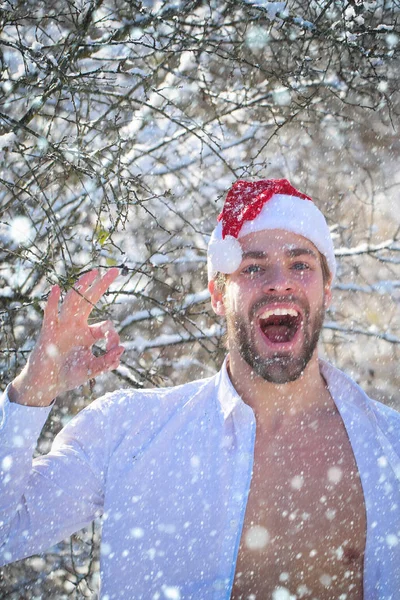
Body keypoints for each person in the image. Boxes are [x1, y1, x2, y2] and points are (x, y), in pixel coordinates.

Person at [1, 179, 399, 600]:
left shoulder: (391, 450)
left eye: (300, 264)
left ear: (328, 289)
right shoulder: (127, 433)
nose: (280, 282)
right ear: (217, 294)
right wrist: (34, 388)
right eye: (252, 266)